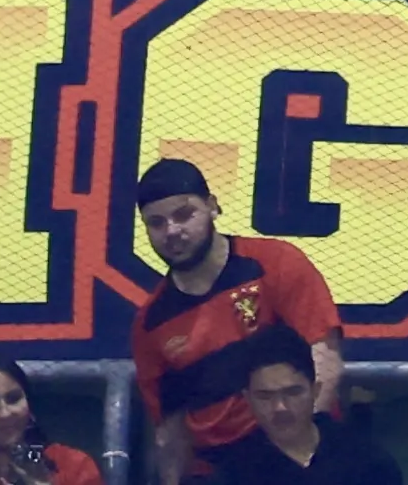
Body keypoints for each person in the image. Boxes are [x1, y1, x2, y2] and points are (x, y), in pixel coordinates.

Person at [131, 157, 345, 474]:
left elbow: (325, 361)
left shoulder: (277, 264)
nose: (172, 231)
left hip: (308, 458)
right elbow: (171, 434)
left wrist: (299, 461)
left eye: (184, 214)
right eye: (156, 223)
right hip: (220, 471)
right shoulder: (150, 325)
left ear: (212, 206)